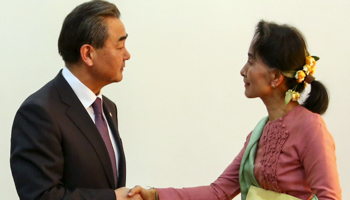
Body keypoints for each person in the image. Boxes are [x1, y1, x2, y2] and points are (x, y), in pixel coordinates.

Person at [128, 20, 342, 200]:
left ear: (276, 77)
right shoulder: (259, 133)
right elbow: (219, 191)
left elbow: (329, 197)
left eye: (251, 62)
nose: (243, 70)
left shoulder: (310, 127)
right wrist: (155, 195)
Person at [10, 1, 141, 200]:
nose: (127, 55)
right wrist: (112, 198)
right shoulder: (39, 113)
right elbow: (40, 196)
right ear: (88, 54)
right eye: (120, 46)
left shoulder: (107, 108)